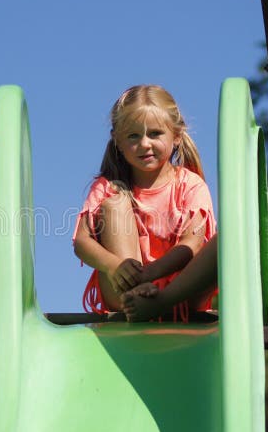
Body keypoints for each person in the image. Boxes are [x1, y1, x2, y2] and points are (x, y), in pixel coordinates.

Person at [72, 84, 217, 322]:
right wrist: (115, 266)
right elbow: (81, 241)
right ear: (117, 140)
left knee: (225, 241)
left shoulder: (190, 185)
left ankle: (159, 303)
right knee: (114, 204)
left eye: (155, 134)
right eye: (133, 136)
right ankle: (135, 299)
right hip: (124, 294)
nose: (145, 144)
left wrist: (150, 275)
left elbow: (191, 243)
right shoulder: (108, 186)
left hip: (181, 296)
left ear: (177, 135)